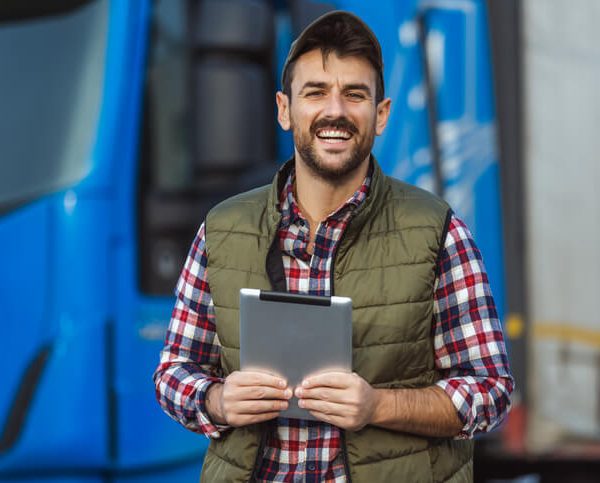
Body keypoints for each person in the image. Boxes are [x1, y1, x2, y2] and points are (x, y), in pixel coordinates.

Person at [153, 10, 513, 483]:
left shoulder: (438, 232)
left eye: (354, 94)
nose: (335, 110)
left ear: (380, 115)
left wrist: (378, 405)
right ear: (285, 109)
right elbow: (173, 372)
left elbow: (490, 391)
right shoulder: (222, 230)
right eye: (316, 92)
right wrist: (217, 400)